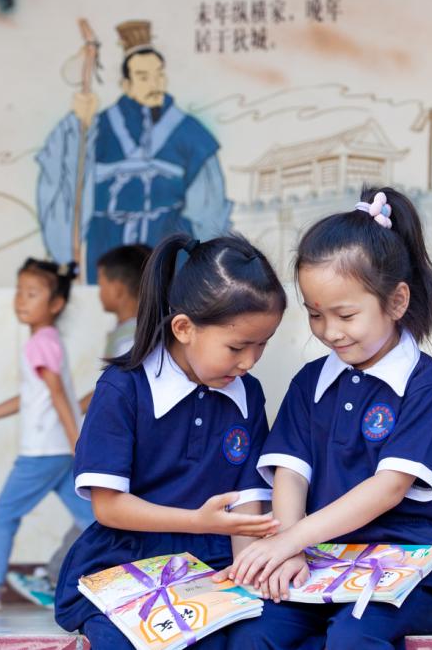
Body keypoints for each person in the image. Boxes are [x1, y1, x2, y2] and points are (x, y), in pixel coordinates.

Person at [219, 189, 432, 650]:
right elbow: (290, 471)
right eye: (315, 315)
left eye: (346, 315)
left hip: (402, 561)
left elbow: (388, 487)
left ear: (396, 301)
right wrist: (288, 547)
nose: (330, 331)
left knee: (354, 636)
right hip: (319, 558)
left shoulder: (425, 386)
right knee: (253, 632)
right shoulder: (310, 382)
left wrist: (292, 539)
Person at [54, 234, 285, 649]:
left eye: (262, 345)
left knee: (245, 635)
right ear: (184, 328)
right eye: (237, 346)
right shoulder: (123, 388)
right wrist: (198, 521)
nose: (249, 361)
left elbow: (246, 508)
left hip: (212, 560)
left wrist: (246, 573)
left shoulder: (247, 394)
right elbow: (108, 506)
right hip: (126, 560)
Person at [0, 259, 95, 612]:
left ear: (56, 304)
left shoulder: (39, 342)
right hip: (58, 450)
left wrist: (78, 442)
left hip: (42, 451)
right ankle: (117, 574)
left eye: (32, 294)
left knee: (4, 514)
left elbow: (57, 394)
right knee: (91, 518)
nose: (22, 300)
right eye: (20, 292)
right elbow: (32, 396)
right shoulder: (48, 340)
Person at [7, 244, 151, 607]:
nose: (98, 291)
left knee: (96, 510)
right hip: (122, 437)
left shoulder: (132, 335)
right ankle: (57, 574)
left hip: (127, 440)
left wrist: (78, 429)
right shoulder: (129, 331)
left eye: (100, 283)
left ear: (117, 288)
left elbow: (121, 390)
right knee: (89, 510)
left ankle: (59, 576)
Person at [36, 21, 232, 282]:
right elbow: (63, 174)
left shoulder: (190, 134)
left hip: (167, 247)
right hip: (108, 245)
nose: (155, 84)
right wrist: (77, 123)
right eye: (143, 77)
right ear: (126, 84)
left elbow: (209, 208)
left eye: (159, 75)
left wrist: (204, 267)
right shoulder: (96, 129)